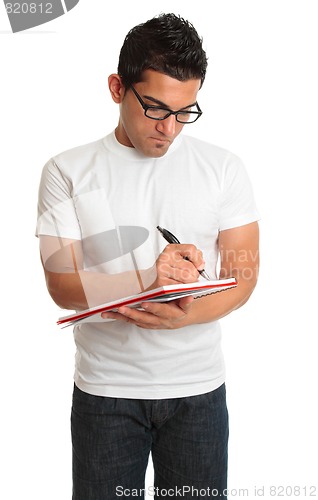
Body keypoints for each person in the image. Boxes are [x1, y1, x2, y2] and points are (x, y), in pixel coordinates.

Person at [36, 13, 259, 500]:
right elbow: (61, 286)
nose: (170, 128)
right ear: (117, 88)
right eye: (156, 109)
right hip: (105, 394)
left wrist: (181, 317)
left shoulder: (223, 168)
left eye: (186, 111)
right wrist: (146, 277)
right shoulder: (66, 170)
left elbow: (242, 277)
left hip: (198, 392)